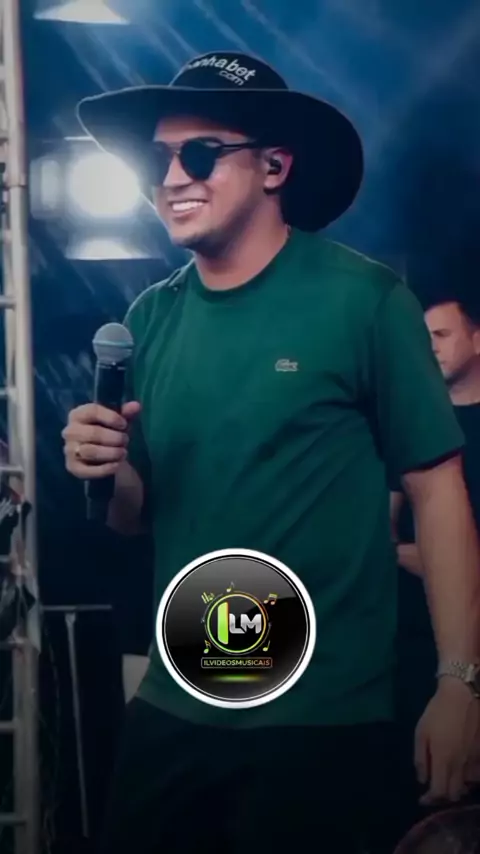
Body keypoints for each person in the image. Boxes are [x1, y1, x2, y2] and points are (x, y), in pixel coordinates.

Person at [62, 51, 480, 853]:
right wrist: (106, 468)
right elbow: (133, 518)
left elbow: (439, 491)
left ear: (275, 167)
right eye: (157, 160)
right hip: (179, 699)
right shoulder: (147, 318)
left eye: (200, 154)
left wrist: (460, 685)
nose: (172, 178)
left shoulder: (365, 300)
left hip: (324, 718)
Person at [392, 297, 480, 770]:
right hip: (413, 638)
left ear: (477, 341)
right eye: (424, 339)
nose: (431, 348)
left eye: (442, 336)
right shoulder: (410, 426)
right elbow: (380, 533)